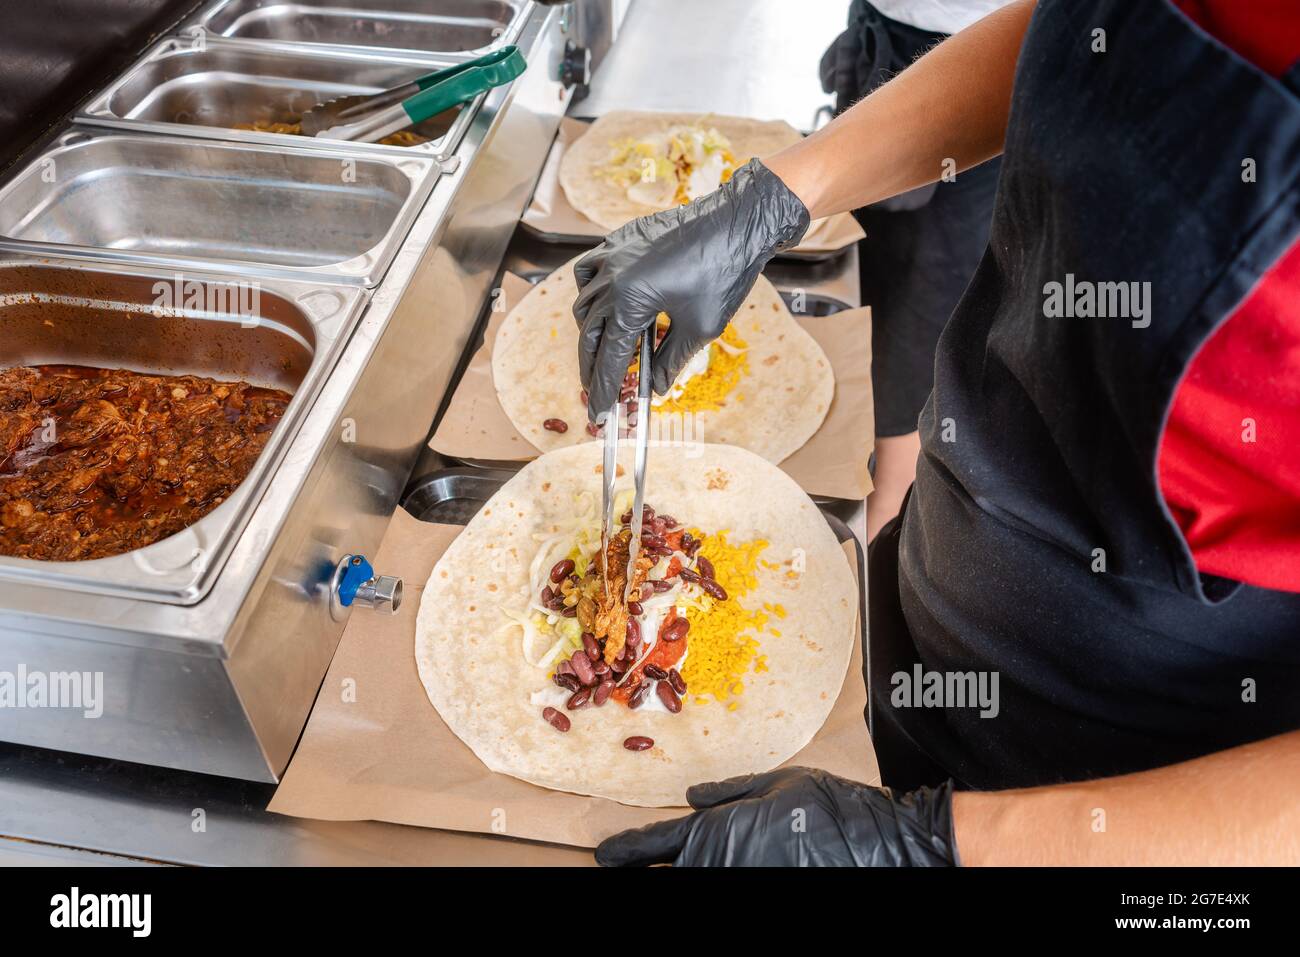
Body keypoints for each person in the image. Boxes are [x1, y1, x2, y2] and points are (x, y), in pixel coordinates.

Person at [573, 0, 1300, 865]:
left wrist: (940, 846)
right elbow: (1089, 36)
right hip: (920, 623)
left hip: (1136, 809)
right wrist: (774, 198)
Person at [820, 0, 1014, 540]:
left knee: (918, 312)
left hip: (983, 52)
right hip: (883, 34)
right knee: (863, 274)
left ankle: (884, 524)